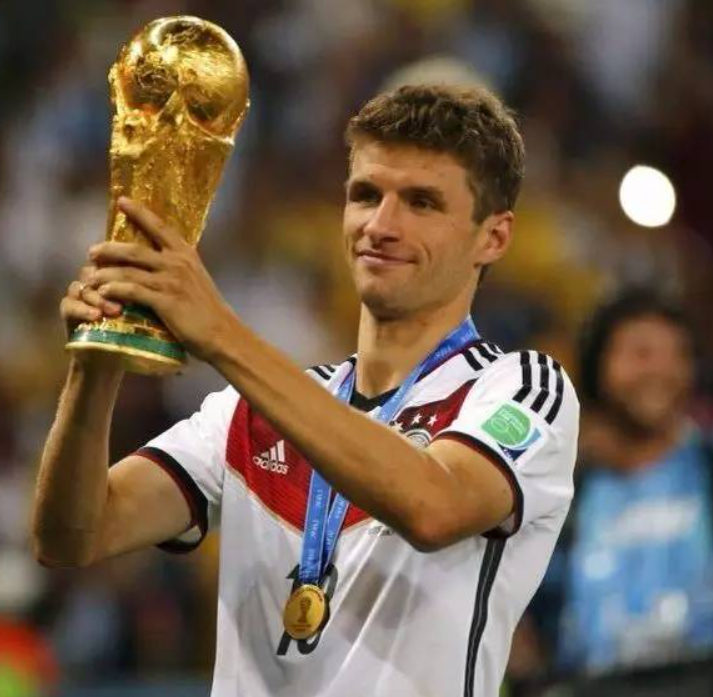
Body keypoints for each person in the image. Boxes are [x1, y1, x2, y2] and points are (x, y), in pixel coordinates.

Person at [32, 84, 579, 697]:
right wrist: (97, 365)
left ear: (493, 237)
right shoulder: (252, 410)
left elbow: (435, 508)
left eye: (422, 203)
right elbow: (72, 537)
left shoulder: (521, 387)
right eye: (365, 195)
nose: (381, 225)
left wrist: (221, 333)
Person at [525, 288, 713, 678]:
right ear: (598, 364)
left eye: (679, 355)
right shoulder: (559, 489)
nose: (662, 371)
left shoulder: (705, 468)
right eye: (642, 354)